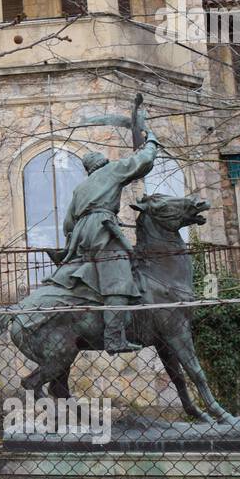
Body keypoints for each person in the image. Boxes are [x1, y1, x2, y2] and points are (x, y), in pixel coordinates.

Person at [48, 115, 159, 353]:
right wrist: (151, 141)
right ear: (103, 163)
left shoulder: (81, 188)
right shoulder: (111, 172)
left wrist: (75, 240)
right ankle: (113, 338)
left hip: (82, 235)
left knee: (90, 270)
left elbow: (68, 223)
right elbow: (143, 161)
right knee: (118, 281)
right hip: (102, 230)